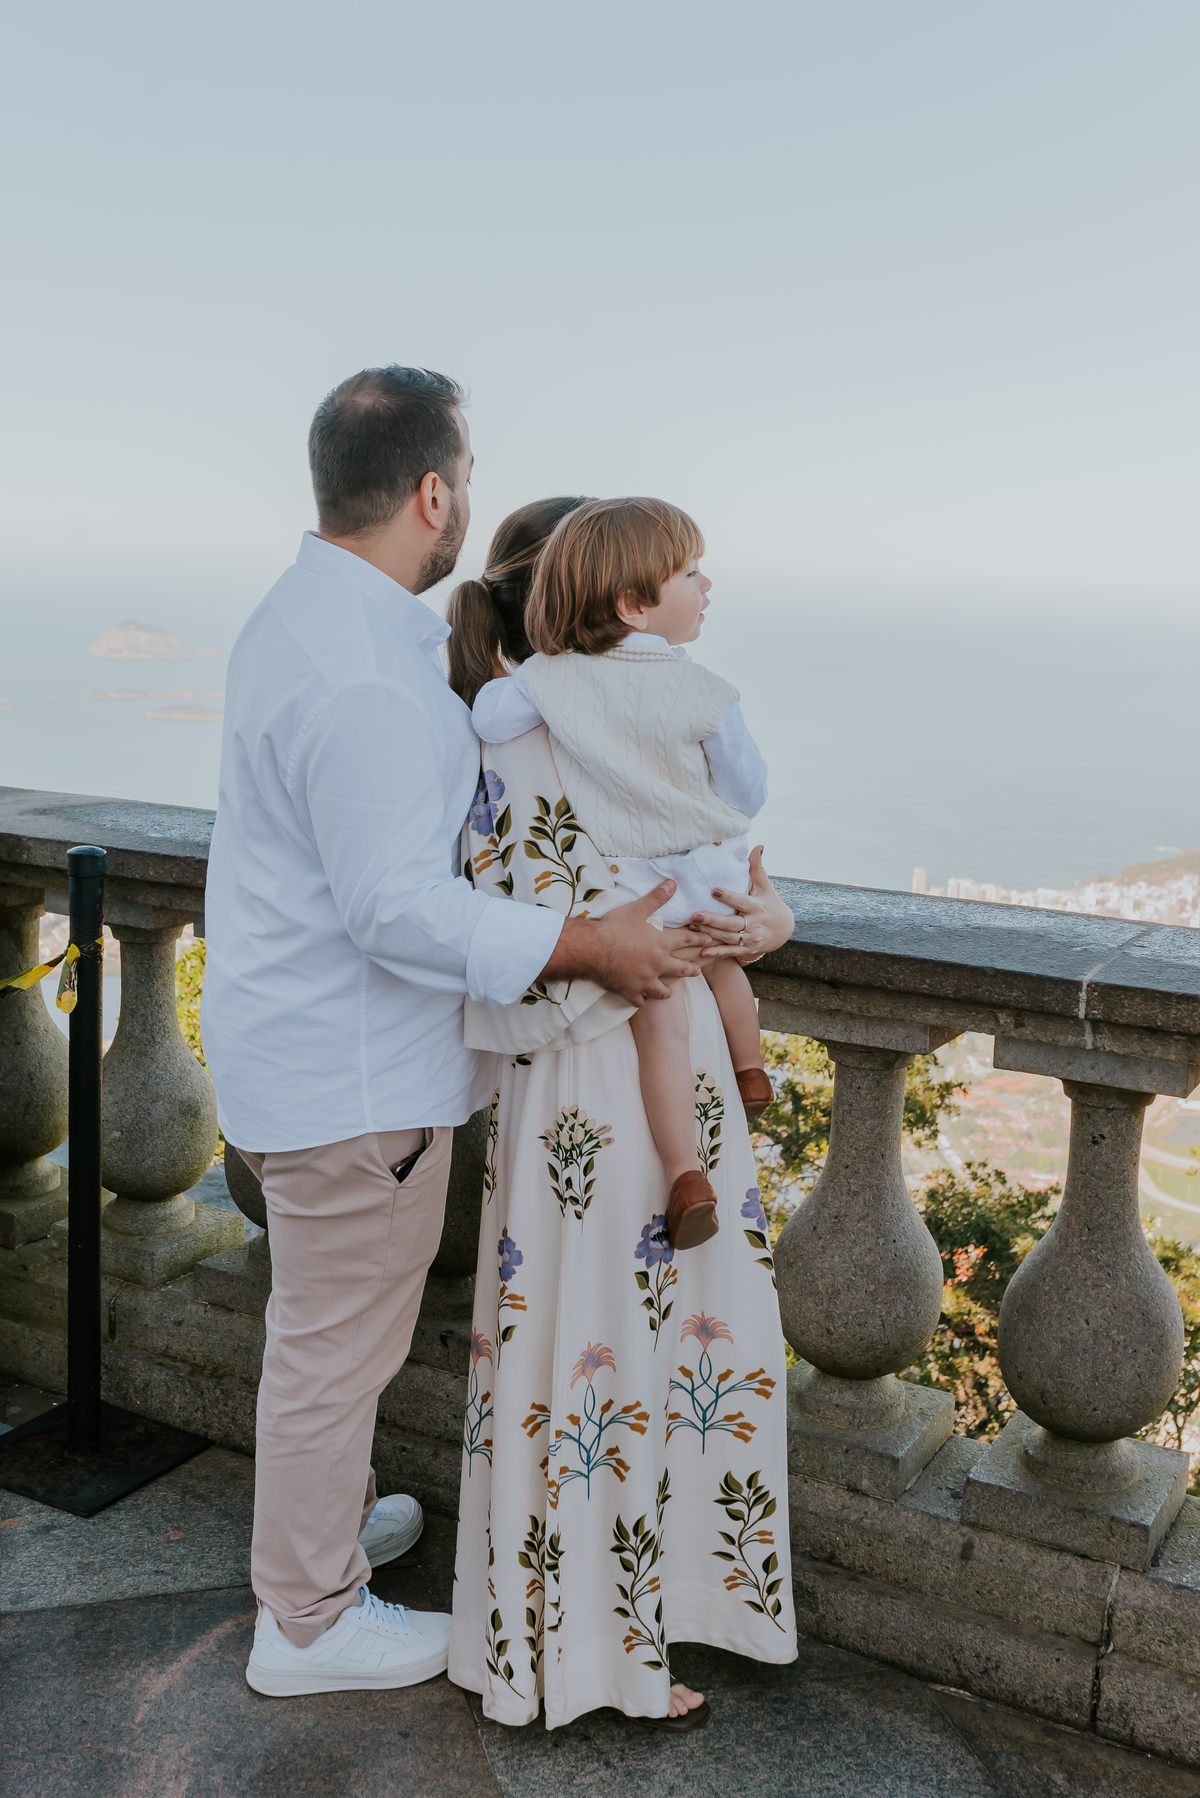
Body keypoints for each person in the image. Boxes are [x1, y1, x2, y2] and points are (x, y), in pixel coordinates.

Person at [201, 367, 716, 1698]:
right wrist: (588, 941)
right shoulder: (370, 674)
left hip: (291, 1051)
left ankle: (318, 1534)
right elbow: (391, 905)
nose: (471, 503)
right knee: (333, 1354)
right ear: (433, 493)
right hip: (352, 1081)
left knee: (325, 1338)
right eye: (468, 480)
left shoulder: (299, 618)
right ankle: (306, 1622)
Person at [446, 499, 798, 1732]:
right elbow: (512, 918)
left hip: (592, 1074)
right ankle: (605, 1655)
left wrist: (764, 921)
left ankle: (580, 1631)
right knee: (619, 1346)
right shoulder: (544, 728)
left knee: (593, 1347)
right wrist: (709, 937)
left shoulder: (516, 722)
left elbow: (712, 869)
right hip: (622, 1065)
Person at [471, 498, 772, 1251]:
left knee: (660, 1026)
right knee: (719, 967)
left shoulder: (540, 693)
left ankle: (684, 1172)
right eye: (691, 573)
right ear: (633, 601)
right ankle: (751, 1071)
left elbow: (489, 719)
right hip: (698, 897)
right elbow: (744, 795)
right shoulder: (704, 689)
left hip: (620, 919)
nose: (706, 585)